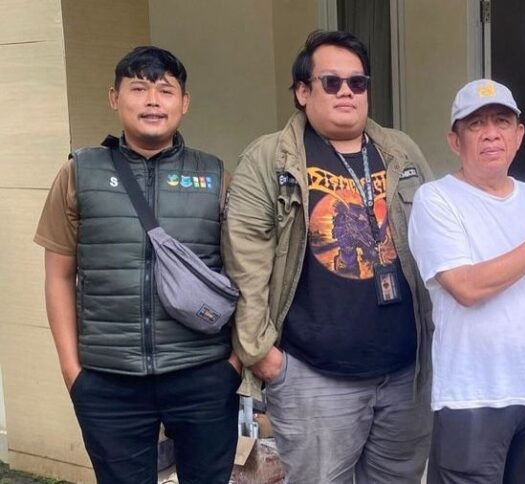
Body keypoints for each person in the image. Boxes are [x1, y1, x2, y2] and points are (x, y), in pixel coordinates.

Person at [222, 30, 433, 483]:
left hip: (404, 375)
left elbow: (437, 239)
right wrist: (262, 355)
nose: (346, 92)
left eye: (357, 82)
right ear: (303, 91)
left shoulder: (401, 151)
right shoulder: (269, 159)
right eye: (331, 82)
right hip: (314, 378)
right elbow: (245, 263)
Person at [34, 46, 240, 483]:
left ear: (184, 102)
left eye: (165, 90)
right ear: (114, 98)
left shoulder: (214, 175)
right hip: (109, 380)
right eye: (139, 88)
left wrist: (233, 366)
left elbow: (245, 275)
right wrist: (73, 372)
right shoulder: (79, 172)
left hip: (203, 373)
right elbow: (58, 276)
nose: (152, 101)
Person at [408, 79, 525, 484]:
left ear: (519, 135)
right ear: (455, 141)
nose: (491, 134)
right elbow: (466, 287)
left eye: (502, 122)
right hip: (471, 397)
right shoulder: (436, 199)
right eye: (476, 124)